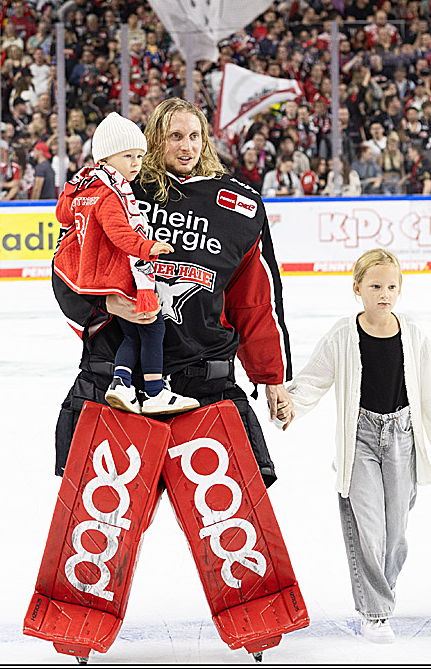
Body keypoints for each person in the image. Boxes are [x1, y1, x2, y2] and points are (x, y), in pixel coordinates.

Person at [51, 98, 293, 488]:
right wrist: (107, 304)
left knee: (230, 519)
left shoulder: (240, 207)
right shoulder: (115, 190)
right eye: (175, 136)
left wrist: (271, 377)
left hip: (205, 384)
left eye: (194, 136)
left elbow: (255, 301)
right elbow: (66, 268)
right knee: (100, 522)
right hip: (116, 383)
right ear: (152, 139)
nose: (186, 146)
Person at [278, 248, 431, 644]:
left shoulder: (412, 332)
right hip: (360, 438)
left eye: (392, 287)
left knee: (395, 535)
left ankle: (381, 594)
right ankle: (375, 612)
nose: (384, 294)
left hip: (402, 437)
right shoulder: (344, 334)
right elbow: (314, 378)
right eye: (376, 286)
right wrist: (291, 403)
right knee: (369, 528)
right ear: (357, 288)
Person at [53, 111, 199, 418]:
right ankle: (155, 391)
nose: (136, 164)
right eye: (128, 156)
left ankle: (121, 384)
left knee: (132, 333)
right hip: (116, 277)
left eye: (140, 156)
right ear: (105, 158)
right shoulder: (111, 194)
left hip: (99, 278)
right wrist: (148, 247)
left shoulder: (84, 187)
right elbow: (120, 233)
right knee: (153, 327)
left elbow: (63, 215)